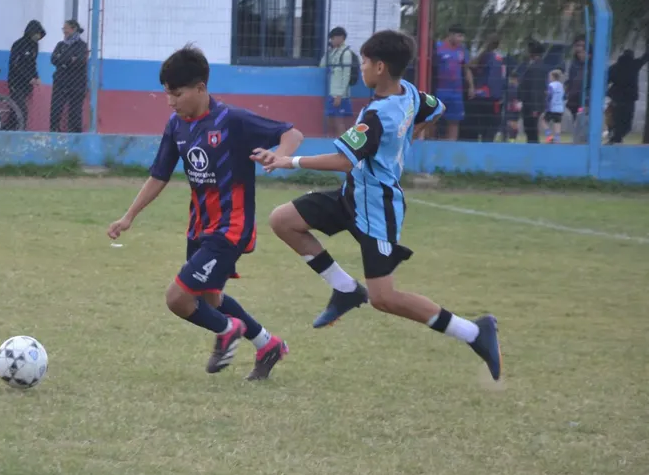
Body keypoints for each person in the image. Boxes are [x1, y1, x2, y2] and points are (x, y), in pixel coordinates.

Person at [255, 30, 502, 382]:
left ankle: (475, 332)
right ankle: (345, 289)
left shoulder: (376, 115)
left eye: (365, 63)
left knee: (384, 298)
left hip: (378, 209)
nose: (362, 69)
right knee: (283, 220)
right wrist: (410, 136)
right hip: (353, 194)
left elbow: (343, 160)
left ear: (381, 67)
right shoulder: (411, 93)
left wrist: (288, 161)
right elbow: (437, 108)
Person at [106, 45, 303, 381]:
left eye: (177, 94)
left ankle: (227, 330)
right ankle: (268, 345)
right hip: (199, 228)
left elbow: (292, 133)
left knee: (178, 298)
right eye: (167, 94)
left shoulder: (232, 121)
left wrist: (280, 156)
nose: (170, 102)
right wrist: (129, 216)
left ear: (200, 88)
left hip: (231, 228)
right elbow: (159, 175)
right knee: (211, 299)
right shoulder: (176, 125)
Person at [434, 24, 474, 140]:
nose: (461, 39)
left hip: (456, 91)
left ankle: (451, 144)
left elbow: (466, 69)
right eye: (459, 36)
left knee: (454, 119)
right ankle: (431, 140)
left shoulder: (462, 50)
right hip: (440, 89)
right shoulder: (438, 47)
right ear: (450, 35)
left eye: (463, 37)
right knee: (433, 116)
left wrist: (471, 86)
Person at [8, 19, 46, 131]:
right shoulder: (18, 44)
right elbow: (15, 65)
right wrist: (29, 78)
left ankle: (9, 128)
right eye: (37, 34)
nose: (38, 37)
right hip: (16, 81)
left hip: (27, 84)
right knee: (21, 109)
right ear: (31, 32)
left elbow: (33, 63)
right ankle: (21, 130)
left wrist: (36, 76)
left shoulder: (35, 46)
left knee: (15, 109)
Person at [50, 20, 88, 133]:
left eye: (66, 28)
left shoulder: (82, 45)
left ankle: (75, 133)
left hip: (77, 83)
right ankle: (54, 130)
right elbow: (53, 59)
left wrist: (62, 60)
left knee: (75, 109)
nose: (64, 31)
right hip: (60, 81)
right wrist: (70, 59)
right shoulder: (60, 45)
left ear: (74, 29)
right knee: (56, 107)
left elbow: (80, 61)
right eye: (63, 28)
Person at [319, 26, 357, 137]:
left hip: (340, 94)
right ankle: (342, 140)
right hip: (332, 92)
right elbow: (322, 65)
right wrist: (329, 51)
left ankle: (345, 143)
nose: (331, 40)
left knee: (339, 121)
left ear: (341, 38)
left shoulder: (346, 53)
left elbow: (346, 75)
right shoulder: (334, 52)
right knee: (331, 120)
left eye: (333, 38)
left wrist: (340, 95)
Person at [466, 33, 504, 142]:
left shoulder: (482, 56)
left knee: (478, 127)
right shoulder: (498, 58)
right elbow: (497, 79)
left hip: (480, 95)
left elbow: (470, 67)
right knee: (490, 128)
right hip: (492, 97)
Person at [606, 49, 649, 144]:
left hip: (616, 99)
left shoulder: (614, 67)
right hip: (629, 99)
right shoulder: (634, 64)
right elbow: (644, 58)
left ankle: (614, 136)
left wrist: (607, 93)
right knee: (627, 123)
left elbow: (606, 81)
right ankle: (617, 137)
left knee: (616, 120)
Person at [518, 41, 547, 144]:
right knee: (530, 130)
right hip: (530, 104)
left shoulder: (536, 68)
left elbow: (535, 87)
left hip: (531, 105)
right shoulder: (536, 66)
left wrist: (535, 108)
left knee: (531, 130)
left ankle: (534, 149)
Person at [543, 69, 566, 143]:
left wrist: (546, 97)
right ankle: (557, 139)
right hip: (559, 108)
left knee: (544, 121)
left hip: (552, 107)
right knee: (557, 123)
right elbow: (563, 96)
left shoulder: (551, 85)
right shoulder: (561, 85)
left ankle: (549, 136)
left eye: (550, 76)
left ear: (553, 77)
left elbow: (550, 95)